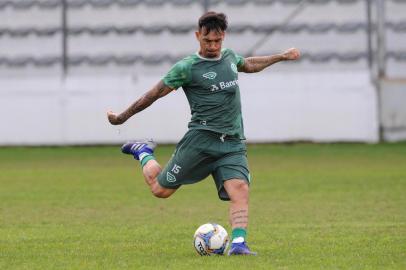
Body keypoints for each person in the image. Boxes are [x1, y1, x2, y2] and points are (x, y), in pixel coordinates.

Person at [107, 11, 300, 255]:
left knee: (239, 188)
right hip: (200, 140)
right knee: (160, 190)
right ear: (198, 36)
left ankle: (239, 244)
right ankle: (143, 150)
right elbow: (153, 94)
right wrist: (122, 117)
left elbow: (249, 64)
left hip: (232, 142)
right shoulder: (187, 68)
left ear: (223, 37)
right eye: (207, 41)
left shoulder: (229, 58)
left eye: (217, 41)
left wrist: (281, 56)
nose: (213, 46)